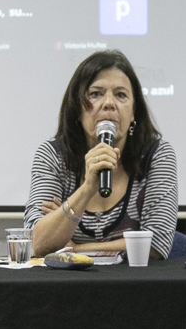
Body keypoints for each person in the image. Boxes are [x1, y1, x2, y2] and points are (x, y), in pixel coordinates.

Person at [24, 50, 178, 259]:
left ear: (133, 113)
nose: (108, 103)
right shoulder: (52, 155)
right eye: (95, 94)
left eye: (121, 95)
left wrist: (74, 248)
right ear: (77, 109)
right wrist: (87, 189)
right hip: (66, 286)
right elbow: (38, 243)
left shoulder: (156, 155)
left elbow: (156, 245)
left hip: (135, 285)